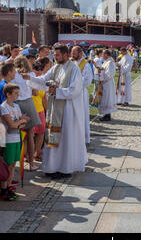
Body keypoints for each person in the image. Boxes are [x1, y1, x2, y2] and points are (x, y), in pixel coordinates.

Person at [22, 44, 87, 179]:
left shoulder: (73, 69)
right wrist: (30, 78)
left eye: (57, 55)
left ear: (65, 54)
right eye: (54, 55)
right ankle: (52, 167)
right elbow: (43, 79)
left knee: (65, 139)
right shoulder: (56, 67)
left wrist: (56, 91)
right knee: (52, 137)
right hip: (55, 107)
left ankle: (65, 168)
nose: (55, 57)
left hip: (68, 110)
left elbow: (75, 89)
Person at [0, 83, 29, 201]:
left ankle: (8, 186)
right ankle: (3, 190)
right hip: (8, 140)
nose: (18, 95)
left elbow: (22, 124)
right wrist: (20, 121)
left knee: (13, 165)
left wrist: (20, 122)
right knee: (7, 165)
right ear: (8, 94)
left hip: (17, 138)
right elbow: (11, 124)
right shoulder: (4, 107)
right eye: (16, 93)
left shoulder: (16, 106)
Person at [12, 56, 41, 171]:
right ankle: (31, 163)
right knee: (30, 135)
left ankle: (13, 164)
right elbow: (35, 93)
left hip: (15, 104)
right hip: (28, 103)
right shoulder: (31, 75)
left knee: (14, 135)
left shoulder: (13, 75)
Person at [71, 46, 93, 144]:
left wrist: (75, 84)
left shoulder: (86, 64)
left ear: (80, 53)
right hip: (73, 93)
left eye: (74, 53)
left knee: (82, 115)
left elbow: (87, 80)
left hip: (81, 93)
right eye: (72, 53)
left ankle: (83, 138)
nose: (72, 55)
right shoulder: (74, 63)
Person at [98, 49, 117, 121]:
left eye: (103, 54)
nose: (102, 55)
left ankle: (107, 115)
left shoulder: (110, 62)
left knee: (107, 98)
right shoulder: (106, 62)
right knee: (105, 98)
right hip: (105, 83)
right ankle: (106, 114)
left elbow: (110, 74)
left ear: (106, 54)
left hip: (108, 83)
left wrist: (101, 74)